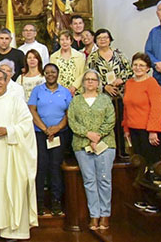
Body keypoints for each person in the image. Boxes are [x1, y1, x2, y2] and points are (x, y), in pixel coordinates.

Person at [0, 69, 38, 239]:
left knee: (11, 189)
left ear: (6, 80)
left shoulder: (16, 101)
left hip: (12, 154)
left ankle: (13, 231)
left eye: (0, 80)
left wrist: (9, 131)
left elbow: (26, 125)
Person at [67, 69, 116, 231]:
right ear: (83, 83)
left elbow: (111, 120)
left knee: (104, 179)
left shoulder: (105, 100)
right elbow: (72, 121)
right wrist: (88, 134)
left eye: (93, 79)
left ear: (98, 83)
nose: (90, 82)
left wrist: (99, 136)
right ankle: (94, 216)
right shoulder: (76, 101)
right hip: (82, 144)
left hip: (105, 144)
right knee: (89, 180)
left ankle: (105, 215)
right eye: (87, 79)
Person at [28, 63, 72, 216]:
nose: (50, 75)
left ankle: (56, 203)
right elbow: (32, 110)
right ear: (44, 74)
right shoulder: (37, 90)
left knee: (55, 167)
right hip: (40, 134)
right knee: (41, 167)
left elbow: (69, 114)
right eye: (47, 72)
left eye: (53, 72)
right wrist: (45, 129)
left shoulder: (65, 92)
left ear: (58, 74)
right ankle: (39, 204)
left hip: (59, 135)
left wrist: (57, 128)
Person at [123, 52, 161, 214]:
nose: (138, 68)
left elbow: (156, 108)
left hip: (149, 132)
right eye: (135, 65)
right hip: (134, 131)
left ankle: (154, 201)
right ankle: (143, 198)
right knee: (140, 166)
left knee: (152, 167)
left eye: (141, 65)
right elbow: (126, 108)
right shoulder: (129, 83)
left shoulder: (151, 83)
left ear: (148, 68)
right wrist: (125, 128)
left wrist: (153, 130)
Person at [87, 29, 132, 156]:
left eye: (105, 37)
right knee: (106, 124)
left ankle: (122, 151)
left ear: (110, 39)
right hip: (102, 96)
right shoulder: (93, 57)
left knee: (121, 123)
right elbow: (89, 75)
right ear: (96, 41)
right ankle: (108, 150)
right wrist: (104, 86)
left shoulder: (119, 55)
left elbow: (130, 71)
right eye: (100, 38)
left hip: (120, 95)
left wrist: (121, 80)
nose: (103, 40)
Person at [50, 30, 86, 95]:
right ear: (58, 41)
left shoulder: (80, 56)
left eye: (67, 39)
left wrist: (74, 87)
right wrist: (61, 88)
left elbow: (83, 73)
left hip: (76, 91)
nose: (64, 42)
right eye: (62, 40)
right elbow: (52, 74)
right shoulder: (53, 57)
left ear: (71, 41)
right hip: (59, 91)